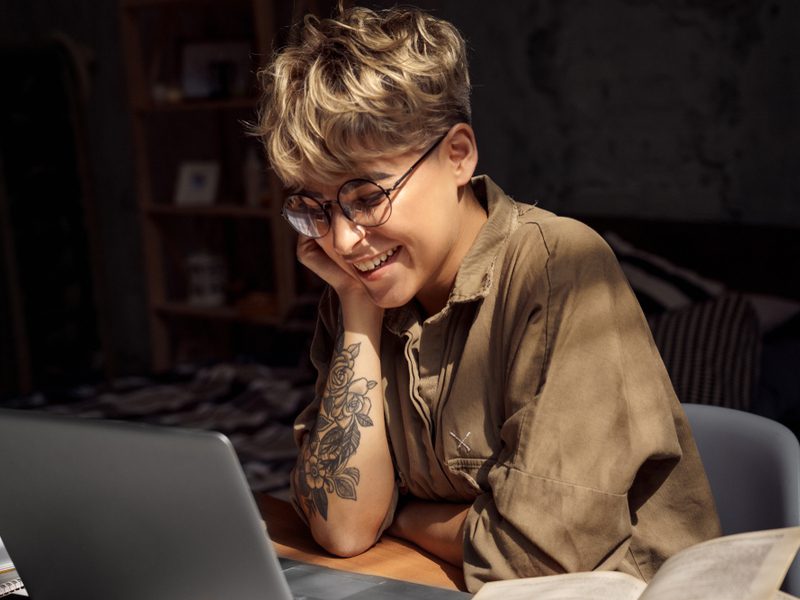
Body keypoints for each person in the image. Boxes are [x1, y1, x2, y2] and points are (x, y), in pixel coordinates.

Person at [254, 4, 720, 592]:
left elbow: (535, 561)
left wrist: (397, 514)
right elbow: (343, 528)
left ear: (458, 155)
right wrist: (357, 315)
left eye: (366, 197)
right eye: (314, 209)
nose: (343, 239)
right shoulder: (360, 285)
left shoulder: (559, 267)